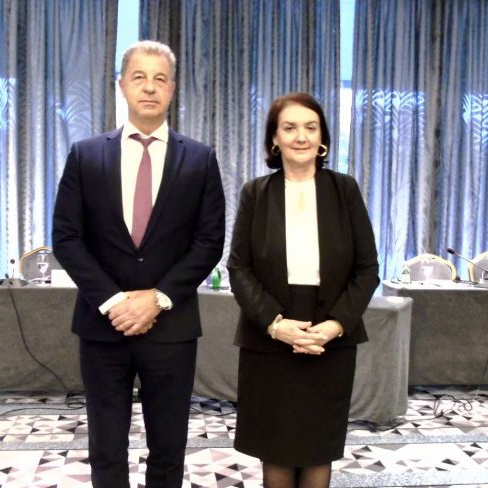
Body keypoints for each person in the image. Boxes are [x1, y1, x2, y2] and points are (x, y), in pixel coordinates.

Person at [52, 40, 225, 487]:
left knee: (168, 447)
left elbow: (209, 242)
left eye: (160, 79)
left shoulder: (200, 159)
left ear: (172, 89)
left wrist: (158, 298)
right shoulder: (86, 155)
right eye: (139, 77)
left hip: (171, 327)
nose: (150, 87)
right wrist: (113, 301)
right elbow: (66, 238)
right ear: (122, 86)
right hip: (102, 326)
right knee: (106, 447)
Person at [227, 92, 380, 487]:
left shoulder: (344, 190)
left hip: (329, 337)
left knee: (317, 449)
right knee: (275, 449)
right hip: (269, 336)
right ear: (274, 139)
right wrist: (275, 324)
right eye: (290, 127)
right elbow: (239, 268)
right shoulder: (255, 193)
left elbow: (367, 269)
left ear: (323, 137)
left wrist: (336, 325)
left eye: (311, 128)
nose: (301, 136)